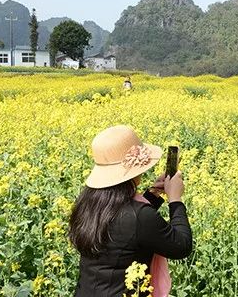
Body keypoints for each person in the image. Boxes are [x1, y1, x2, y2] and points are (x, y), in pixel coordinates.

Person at [69, 125, 192, 297]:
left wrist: (153, 194)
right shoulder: (139, 217)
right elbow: (181, 246)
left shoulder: (88, 204)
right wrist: (175, 199)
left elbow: (123, 229)